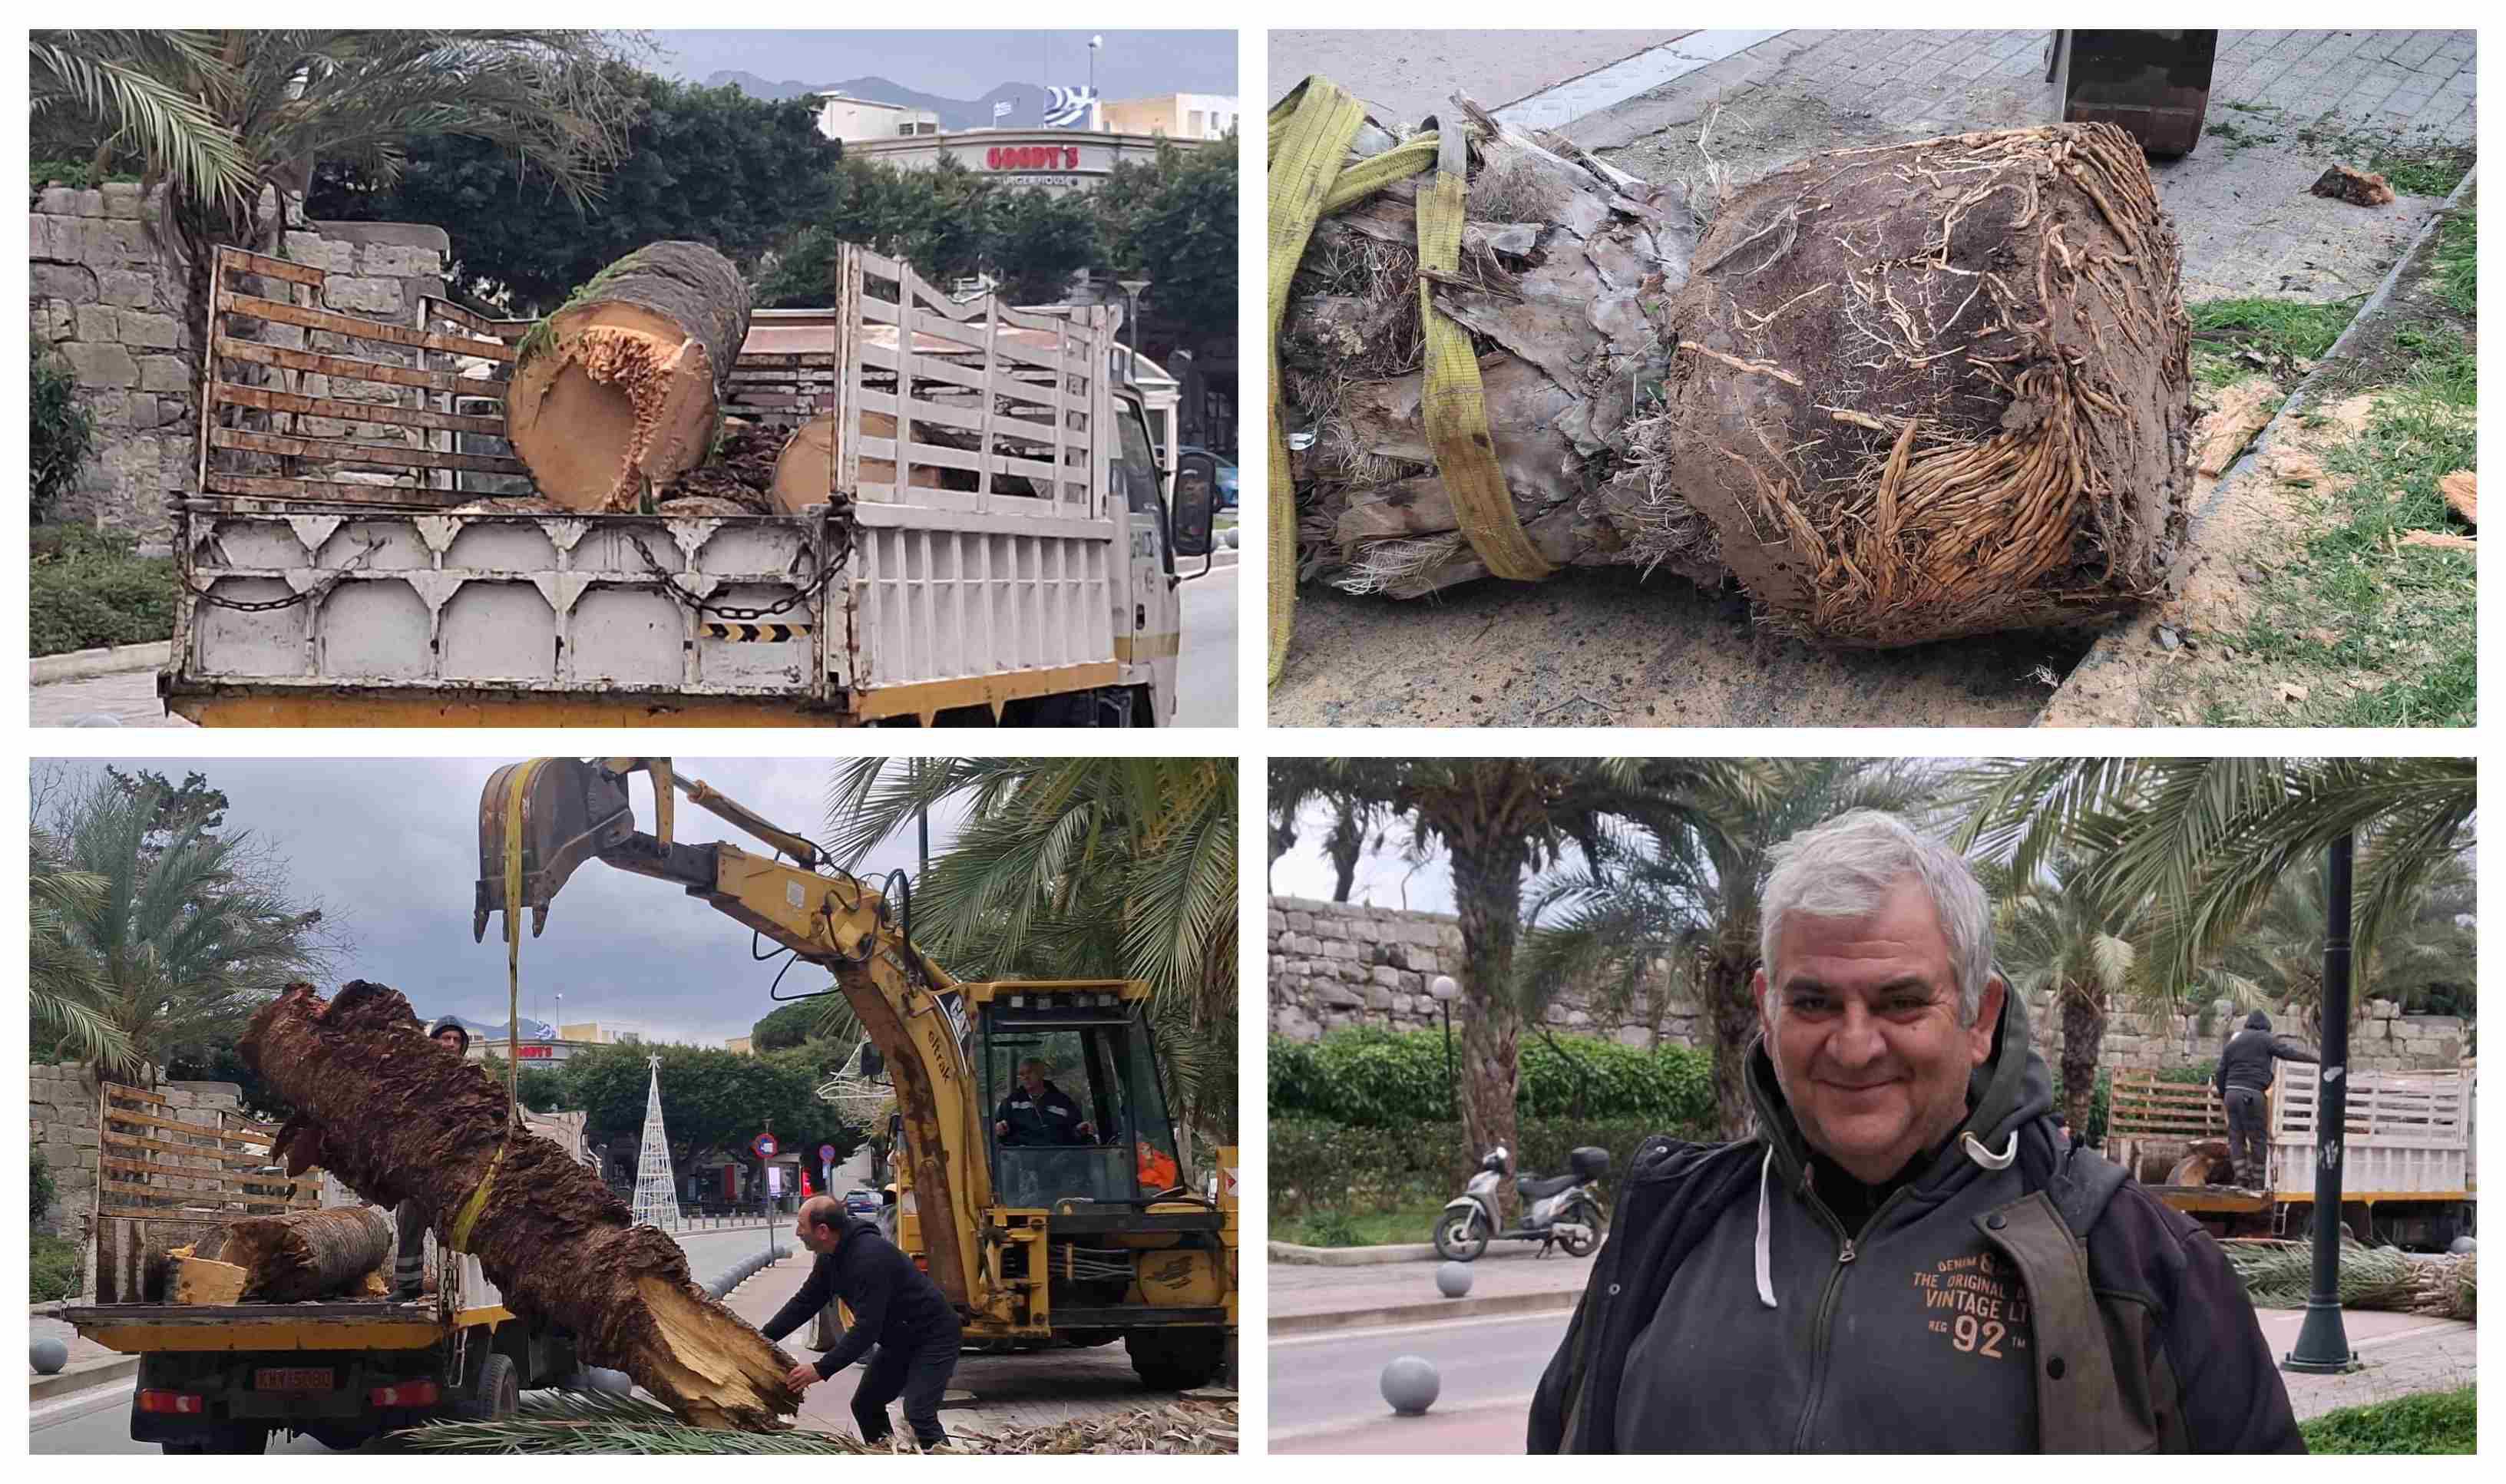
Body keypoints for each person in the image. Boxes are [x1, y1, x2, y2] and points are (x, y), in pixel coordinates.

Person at [1529, 811, 2303, 1453]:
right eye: (1813, 1003)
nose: (1854, 1045)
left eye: (1900, 1002)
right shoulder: (1668, 1224)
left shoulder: (2132, 1259)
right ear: (1766, 1009)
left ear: (1980, 1017)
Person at [762, 1195, 962, 1450]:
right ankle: (886, 1457)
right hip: (899, 1340)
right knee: (866, 1405)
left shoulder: (869, 1257)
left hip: (934, 1336)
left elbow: (867, 1329)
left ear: (822, 1231)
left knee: (919, 1413)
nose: (798, 1232)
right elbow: (804, 1303)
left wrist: (821, 1369)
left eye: (801, 1225)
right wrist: (761, 1340)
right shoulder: (830, 1257)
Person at [394, 1018, 471, 1301]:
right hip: (419, 1169)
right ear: (434, 1040)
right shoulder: (417, 1076)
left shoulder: (470, 1078)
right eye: (445, 1038)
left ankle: (452, 1291)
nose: (450, 1044)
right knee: (408, 1219)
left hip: (454, 1171)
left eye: (456, 1040)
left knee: (453, 1231)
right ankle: (407, 1286)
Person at [2213, 1010, 2320, 1192]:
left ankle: (2241, 1179)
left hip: (2231, 1094)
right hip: (2252, 1094)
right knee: (2257, 1140)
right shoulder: (2265, 1038)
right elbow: (2287, 1053)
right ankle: (2258, 1183)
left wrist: (2225, 1094)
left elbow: (2220, 1072)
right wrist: (2316, 1060)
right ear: (2265, 1027)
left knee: (2236, 1139)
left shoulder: (2233, 1043)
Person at [991, 1059, 1095, 1146]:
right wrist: (999, 1129)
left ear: (1041, 1073)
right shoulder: (1011, 1103)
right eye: (1022, 1074)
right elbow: (998, 1135)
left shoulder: (1063, 1102)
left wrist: (1080, 1130)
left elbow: (1074, 1134)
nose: (1025, 1077)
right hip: (1022, 1157)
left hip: (1057, 1157)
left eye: (1029, 1072)